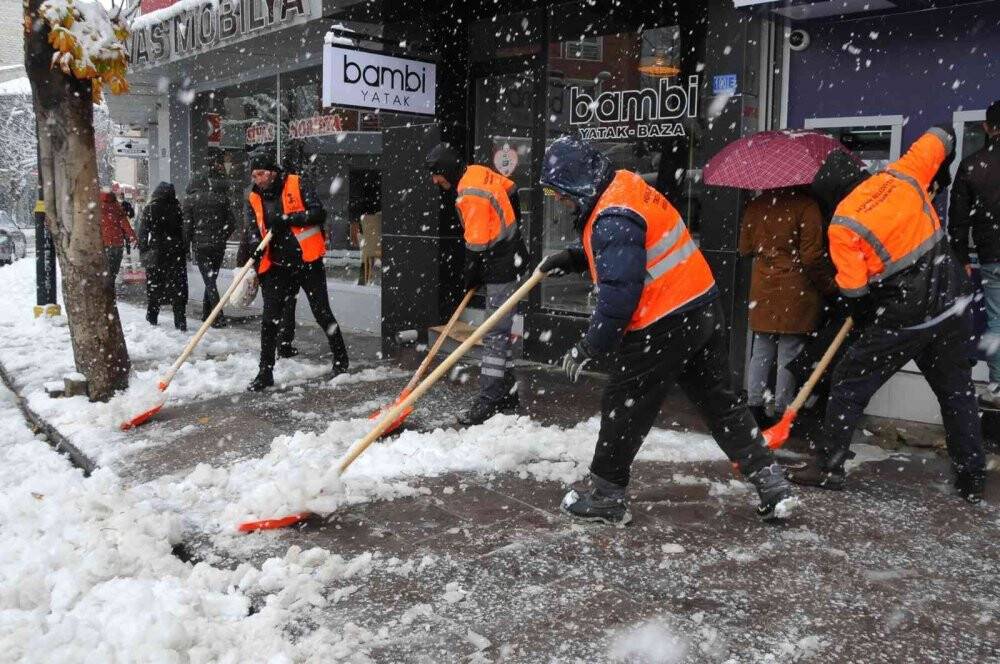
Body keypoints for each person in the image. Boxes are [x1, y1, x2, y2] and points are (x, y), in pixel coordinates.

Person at [537, 136, 798, 524]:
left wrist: (588, 347)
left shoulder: (610, 218)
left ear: (579, 182)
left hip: (662, 322)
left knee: (625, 406)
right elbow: (635, 246)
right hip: (702, 307)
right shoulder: (623, 184)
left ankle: (606, 496)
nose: (560, 201)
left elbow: (619, 298)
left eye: (560, 193)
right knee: (720, 402)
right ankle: (771, 483)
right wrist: (576, 257)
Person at [790, 126, 987, 503]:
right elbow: (942, 132)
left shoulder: (843, 223)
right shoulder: (904, 173)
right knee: (956, 391)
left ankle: (829, 466)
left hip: (903, 311)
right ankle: (972, 476)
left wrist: (866, 314)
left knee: (849, 379)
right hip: (951, 301)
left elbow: (854, 294)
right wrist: (941, 169)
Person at [425, 143, 529, 425]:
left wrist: (472, 272)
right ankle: (507, 393)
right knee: (500, 328)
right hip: (508, 255)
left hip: (500, 263)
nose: (436, 180)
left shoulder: (468, 192)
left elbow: (475, 246)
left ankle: (490, 398)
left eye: (436, 174)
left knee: (494, 331)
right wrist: (513, 233)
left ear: (446, 170)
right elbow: (512, 189)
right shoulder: (478, 172)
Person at [239, 147, 349, 391]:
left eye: (260, 174)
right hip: (276, 266)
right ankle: (264, 373)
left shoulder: (296, 183)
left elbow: (318, 213)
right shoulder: (254, 196)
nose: (256, 179)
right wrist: (256, 247)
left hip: (307, 261)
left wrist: (288, 220)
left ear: (272, 173)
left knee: (322, 312)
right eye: (253, 175)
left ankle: (341, 359)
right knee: (270, 320)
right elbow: (253, 229)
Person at [739, 188, 837, 426]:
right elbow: (812, 257)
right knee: (789, 352)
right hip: (795, 288)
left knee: (761, 350)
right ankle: (784, 412)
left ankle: (754, 407)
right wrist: (831, 286)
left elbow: (745, 248)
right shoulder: (807, 206)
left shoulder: (757, 204)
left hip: (764, 286)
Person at [949, 99, 1000, 407]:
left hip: (993, 255)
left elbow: (958, 220)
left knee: (997, 322)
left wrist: (962, 258)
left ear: (986, 127)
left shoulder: (972, 164)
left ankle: (997, 388)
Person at [183, 149, 237, 327]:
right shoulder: (221, 198)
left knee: (210, 281)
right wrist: (222, 235)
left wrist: (186, 247)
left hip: (201, 244)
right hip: (217, 245)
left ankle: (217, 315)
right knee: (211, 278)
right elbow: (232, 222)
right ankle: (208, 314)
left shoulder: (191, 200)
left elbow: (188, 226)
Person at [136, 182, 189, 331]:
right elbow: (184, 231)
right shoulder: (178, 209)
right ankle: (180, 321)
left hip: (157, 252)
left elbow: (142, 233)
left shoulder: (151, 209)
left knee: (155, 286)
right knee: (178, 287)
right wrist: (184, 248)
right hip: (176, 253)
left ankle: (152, 317)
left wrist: (144, 251)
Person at [100, 187, 137, 290]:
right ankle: (110, 286)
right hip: (117, 242)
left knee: (105, 269)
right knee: (114, 268)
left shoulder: (97, 208)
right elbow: (125, 224)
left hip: (104, 243)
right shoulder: (117, 207)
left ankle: (106, 287)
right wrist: (133, 237)